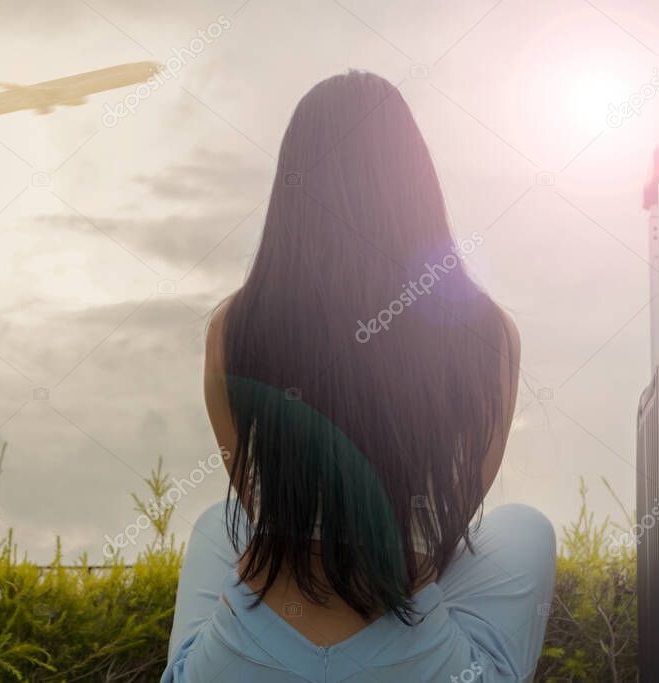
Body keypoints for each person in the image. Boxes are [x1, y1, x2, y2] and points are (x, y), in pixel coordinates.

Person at [162, 70, 555, 683]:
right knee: (522, 528)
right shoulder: (489, 334)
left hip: (245, 655)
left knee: (220, 524)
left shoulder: (233, 326)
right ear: (417, 182)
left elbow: (255, 492)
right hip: (412, 656)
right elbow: (451, 523)